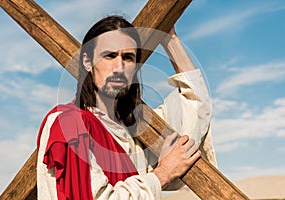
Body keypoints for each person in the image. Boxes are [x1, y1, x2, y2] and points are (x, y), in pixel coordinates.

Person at [37, 15, 216, 200]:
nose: (119, 66)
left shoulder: (136, 135)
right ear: (87, 61)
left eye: (128, 57)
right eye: (110, 55)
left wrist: (169, 38)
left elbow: (195, 104)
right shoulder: (69, 124)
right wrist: (161, 174)